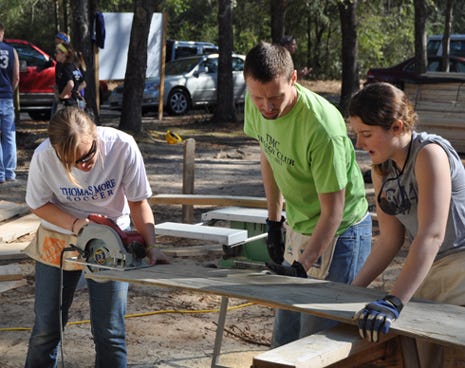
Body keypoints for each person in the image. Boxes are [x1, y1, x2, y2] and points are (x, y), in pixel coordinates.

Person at [243, 41, 371, 347]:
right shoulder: (257, 100)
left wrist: (303, 266)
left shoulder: (321, 129)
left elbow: (334, 211)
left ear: (294, 79)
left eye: (275, 98)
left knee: (316, 343)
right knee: (284, 340)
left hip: (340, 234)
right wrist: (274, 223)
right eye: (258, 97)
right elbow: (269, 157)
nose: (267, 107)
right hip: (298, 227)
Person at [23, 107, 169, 367]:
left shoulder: (122, 146)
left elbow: (138, 202)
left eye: (88, 155)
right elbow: (38, 203)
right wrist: (77, 224)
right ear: (57, 151)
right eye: (73, 162)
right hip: (59, 233)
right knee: (47, 328)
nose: (84, 165)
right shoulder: (44, 156)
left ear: (95, 135)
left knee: (109, 332)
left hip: (111, 238)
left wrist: (152, 244)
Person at [349, 82, 465, 368]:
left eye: (366, 134)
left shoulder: (430, 154)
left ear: (397, 127)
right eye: (356, 134)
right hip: (429, 271)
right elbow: (389, 239)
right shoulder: (382, 169)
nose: (359, 144)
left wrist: (394, 301)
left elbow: (432, 234)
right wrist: (352, 291)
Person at [0, 21, 19, 183]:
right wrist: (10, 90)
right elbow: (17, 76)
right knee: (9, 136)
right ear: (2, 33)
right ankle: (10, 173)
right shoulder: (12, 51)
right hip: (6, 97)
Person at [53, 42, 83, 111]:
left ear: (64, 54)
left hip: (67, 105)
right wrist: (75, 91)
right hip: (74, 103)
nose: (55, 55)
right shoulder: (73, 66)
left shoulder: (65, 67)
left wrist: (62, 96)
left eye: (57, 52)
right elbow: (83, 83)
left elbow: (70, 84)